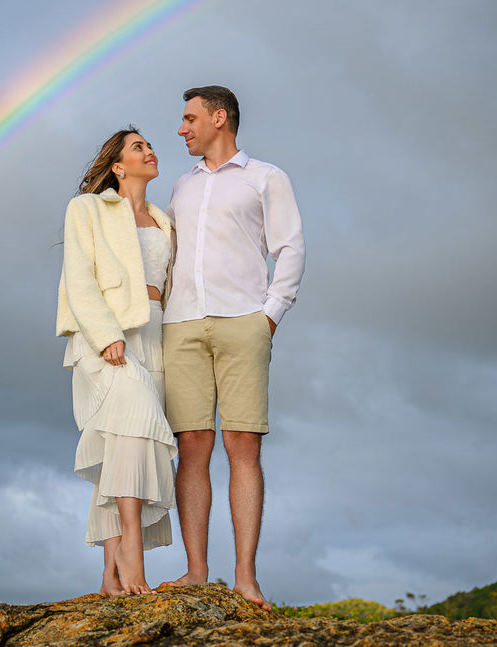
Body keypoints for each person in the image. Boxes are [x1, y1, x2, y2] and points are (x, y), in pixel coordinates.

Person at [161, 86, 305, 610]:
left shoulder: (267, 177)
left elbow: (289, 247)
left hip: (244, 321)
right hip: (180, 324)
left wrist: (269, 315)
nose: (182, 128)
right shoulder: (180, 185)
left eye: (189, 118)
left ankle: (245, 576)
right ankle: (197, 572)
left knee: (242, 445)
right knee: (191, 446)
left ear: (219, 118)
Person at [56, 127, 177, 596]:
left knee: (125, 447)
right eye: (138, 147)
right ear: (118, 166)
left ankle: (109, 576)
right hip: (105, 335)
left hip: (156, 336)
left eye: (150, 144)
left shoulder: (165, 221)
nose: (150, 150)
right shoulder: (87, 208)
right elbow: (79, 277)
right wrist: (106, 335)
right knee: (134, 426)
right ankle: (131, 555)